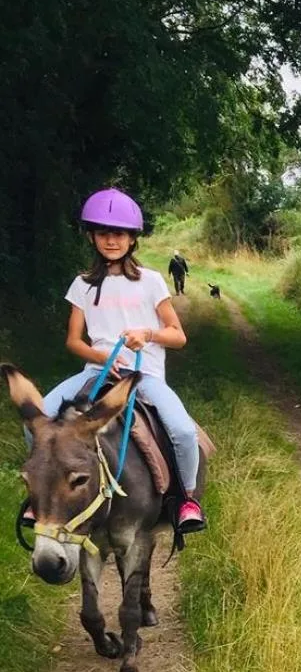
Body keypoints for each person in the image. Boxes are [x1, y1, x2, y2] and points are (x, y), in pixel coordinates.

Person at [36, 190, 207, 534]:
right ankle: (41, 497)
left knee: (184, 431)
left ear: (132, 239)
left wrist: (148, 333)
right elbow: (73, 341)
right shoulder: (82, 284)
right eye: (103, 233)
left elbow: (178, 335)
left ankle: (186, 499)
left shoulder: (151, 281)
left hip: (144, 375)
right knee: (40, 417)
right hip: (97, 371)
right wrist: (99, 355)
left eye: (119, 234)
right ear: (92, 237)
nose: (111, 241)